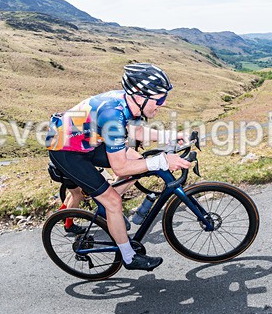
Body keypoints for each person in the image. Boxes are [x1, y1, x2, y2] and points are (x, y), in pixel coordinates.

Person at [45, 63, 190, 271]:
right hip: (65, 150)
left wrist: (171, 137)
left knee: (136, 160)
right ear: (141, 96)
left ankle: (106, 206)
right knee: (114, 197)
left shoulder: (128, 102)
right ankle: (129, 257)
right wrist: (163, 160)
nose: (161, 104)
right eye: (159, 99)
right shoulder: (113, 114)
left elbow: (137, 133)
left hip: (86, 141)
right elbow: (120, 168)